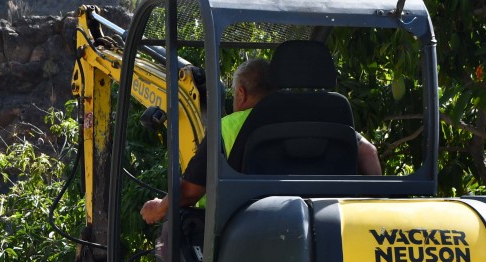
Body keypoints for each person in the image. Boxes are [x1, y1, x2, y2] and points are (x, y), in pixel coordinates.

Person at [140, 57, 382, 226]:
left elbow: (188, 193)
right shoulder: (324, 114)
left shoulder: (228, 127)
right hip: (333, 221)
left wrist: (158, 207)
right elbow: (369, 153)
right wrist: (374, 206)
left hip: (254, 232)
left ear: (241, 94)